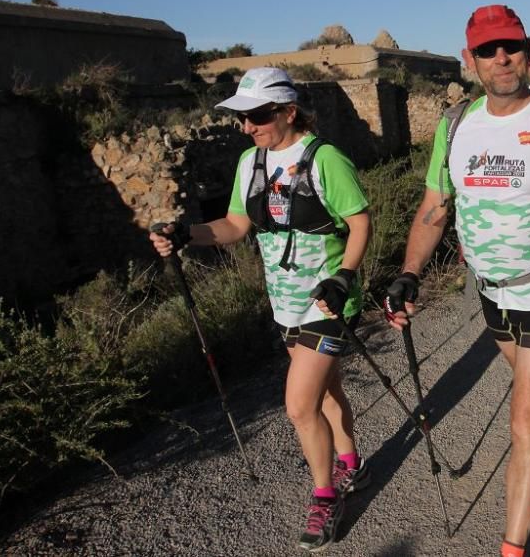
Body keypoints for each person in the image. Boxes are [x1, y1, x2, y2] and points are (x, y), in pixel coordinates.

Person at [383, 5, 530, 557]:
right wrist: (408, 274)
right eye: (487, 51)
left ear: (527, 49)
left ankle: (513, 547)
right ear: (470, 60)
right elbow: (434, 208)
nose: (501, 59)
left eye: (510, 47)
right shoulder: (455, 125)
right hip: (490, 289)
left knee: (522, 420)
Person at [149, 67, 372, 552]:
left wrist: (344, 276)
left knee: (299, 406)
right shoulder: (251, 161)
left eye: (258, 116)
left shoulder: (325, 158)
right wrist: (186, 233)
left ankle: (325, 497)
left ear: (289, 111)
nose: (248, 127)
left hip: (328, 302)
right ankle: (351, 462)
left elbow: (359, 223)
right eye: (242, 118)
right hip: (285, 302)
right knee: (326, 388)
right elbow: (233, 225)